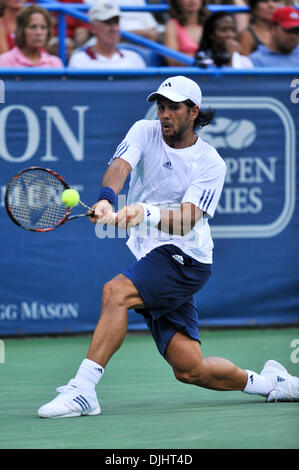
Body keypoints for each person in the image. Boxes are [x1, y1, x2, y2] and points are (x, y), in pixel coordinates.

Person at [37, 75, 299, 418]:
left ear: (194, 112)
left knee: (116, 292)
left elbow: (188, 219)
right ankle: (274, 384)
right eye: (160, 107)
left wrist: (143, 212)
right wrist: (105, 200)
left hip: (186, 259)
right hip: (153, 255)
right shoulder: (144, 131)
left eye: (173, 107)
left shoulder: (210, 162)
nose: (163, 114)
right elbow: (120, 166)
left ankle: (83, 390)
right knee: (190, 368)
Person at [68, 0, 146, 69]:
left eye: (116, 22)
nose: (114, 28)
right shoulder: (78, 60)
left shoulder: (134, 58)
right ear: (93, 27)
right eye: (108, 22)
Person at [164, 0, 209, 66]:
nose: (192, 1)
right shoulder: (172, 25)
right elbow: (172, 59)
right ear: (178, 1)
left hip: (211, 74)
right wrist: (206, 59)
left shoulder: (210, 23)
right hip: (182, 74)